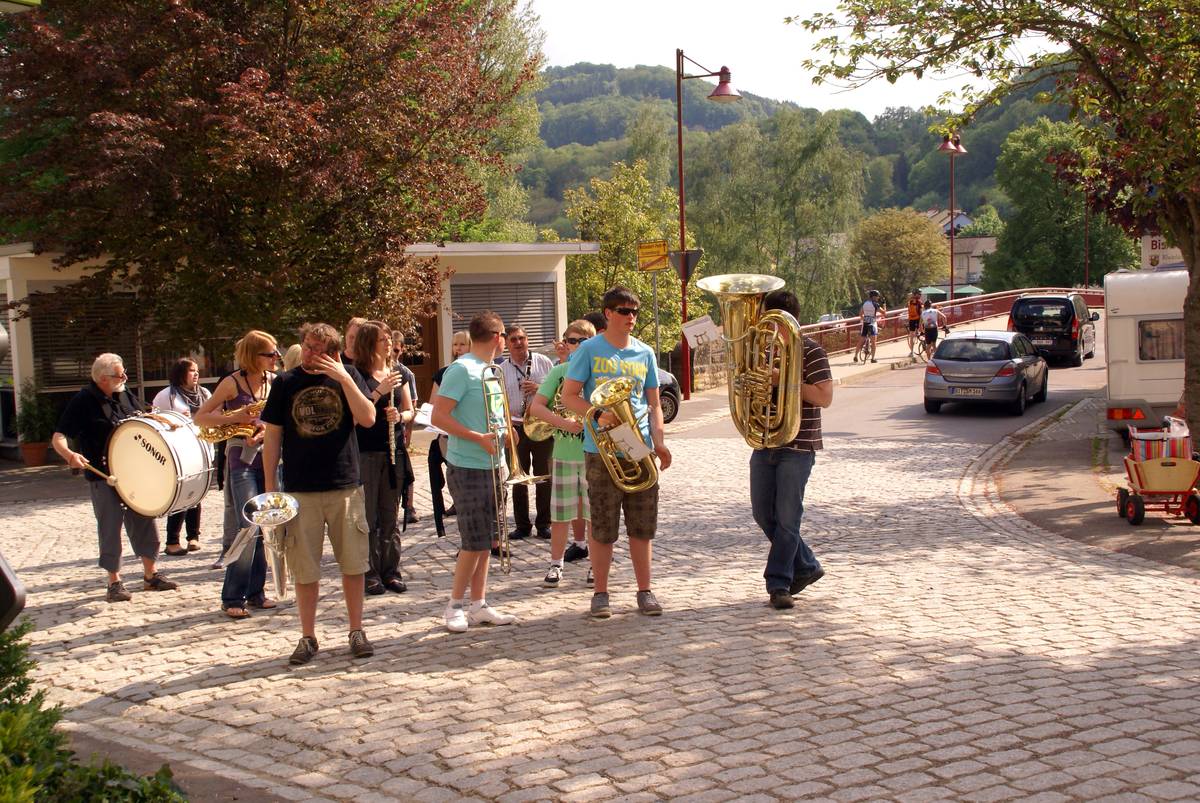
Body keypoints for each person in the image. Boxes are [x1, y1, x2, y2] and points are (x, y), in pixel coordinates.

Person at [263, 322, 377, 664]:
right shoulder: (285, 382)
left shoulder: (350, 376)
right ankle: (308, 636)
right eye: (308, 347)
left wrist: (343, 377)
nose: (312, 354)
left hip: (345, 485)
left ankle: (356, 630)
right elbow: (272, 437)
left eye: (320, 349)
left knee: (353, 564)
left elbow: (368, 418)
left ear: (334, 352)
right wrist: (270, 487)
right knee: (305, 567)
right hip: (300, 488)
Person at [561, 286, 672, 619]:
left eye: (634, 311)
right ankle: (601, 593)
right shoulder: (589, 349)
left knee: (642, 525)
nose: (631, 317)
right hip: (602, 447)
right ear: (608, 314)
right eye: (624, 311)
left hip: (638, 446)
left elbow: (653, 404)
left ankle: (645, 590)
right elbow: (569, 396)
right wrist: (596, 414)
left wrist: (660, 441)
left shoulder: (645, 353)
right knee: (604, 524)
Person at [52, 353, 179, 602]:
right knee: (110, 526)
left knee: (144, 519)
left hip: (135, 473)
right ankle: (114, 582)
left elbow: (144, 420)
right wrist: (70, 455)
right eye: (120, 374)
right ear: (102, 378)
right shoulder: (83, 400)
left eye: (124, 373)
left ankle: (150, 575)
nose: (125, 377)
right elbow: (58, 436)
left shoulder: (124, 394)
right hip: (103, 474)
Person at [431, 311, 518, 633]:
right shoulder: (462, 369)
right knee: (472, 542)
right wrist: (475, 438)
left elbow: (491, 416)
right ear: (499, 338)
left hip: (494, 465)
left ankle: (479, 604)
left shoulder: (490, 371)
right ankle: (453, 605)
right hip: (467, 465)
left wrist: (506, 434)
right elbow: (440, 416)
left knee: (487, 541)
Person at [750, 290, 834, 610]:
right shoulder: (762, 354)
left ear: (787, 321)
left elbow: (824, 396)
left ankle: (779, 583)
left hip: (798, 445)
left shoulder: (811, 352)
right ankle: (808, 565)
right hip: (765, 441)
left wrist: (781, 380)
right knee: (762, 514)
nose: (768, 328)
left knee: (787, 519)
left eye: (772, 321)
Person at [194, 331, 279, 620]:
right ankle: (232, 595)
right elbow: (201, 416)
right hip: (240, 459)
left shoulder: (274, 381)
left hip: (267, 458)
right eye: (269, 354)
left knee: (263, 525)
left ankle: (256, 592)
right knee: (248, 526)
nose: (275, 358)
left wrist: (265, 430)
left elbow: (277, 420)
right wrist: (235, 417)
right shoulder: (231, 383)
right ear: (253, 356)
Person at [528, 320, 596, 589]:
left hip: (594, 455)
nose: (573, 345)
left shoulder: (596, 372)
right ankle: (556, 564)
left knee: (594, 515)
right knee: (560, 515)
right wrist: (563, 423)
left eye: (579, 341)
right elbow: (537, 407)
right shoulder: (559, 371)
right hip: (565, 453)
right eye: (569, 340)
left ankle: (595, 565)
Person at [353, 321, 413, 596]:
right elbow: (355, 414)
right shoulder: (357, 374)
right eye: (382, 339)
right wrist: (378, 392)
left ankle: (391, 571)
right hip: (366, 452)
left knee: (390, 516)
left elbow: (411, 410)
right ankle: (370, 574)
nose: (389, 343)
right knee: (368, 518)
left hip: (394, 452)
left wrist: (400, 416)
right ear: (369, 343)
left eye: (389, 338)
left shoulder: (397, 371)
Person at [499, 324, 555, 541]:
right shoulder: (502, 368)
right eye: (513, 339)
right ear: (507, 343)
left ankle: (544, 525)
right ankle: (522, 525)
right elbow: (500, 402)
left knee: (544, 478)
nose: (518, 343)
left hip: (541, 426)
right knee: (518, 477)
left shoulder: (544, 362)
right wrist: (507, 427)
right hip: (515, 427)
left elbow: (558, 393)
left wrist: (539, 390)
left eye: (521, 338)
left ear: (527, 339)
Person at [152, 358, 212, 556]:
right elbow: (156, 421)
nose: (196, 374)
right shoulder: (166, 396)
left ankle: (193, 536)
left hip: (202, 448)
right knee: (180, 495)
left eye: (197, 370)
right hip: (179, 452)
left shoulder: (204, 393)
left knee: (197, 493)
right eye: (191, 371)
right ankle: (172, 541)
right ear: (180, 373)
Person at [428, 330, 472, 534]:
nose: (458, 349)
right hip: (448, 434)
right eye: (455, 345)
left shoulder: (479, 370)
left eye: (462, 344)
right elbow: (432, 404)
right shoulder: (444, 372)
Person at [391, 334, 420, 525]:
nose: (392, 353)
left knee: (406, 472)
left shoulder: (405, 373)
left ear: (401, 350)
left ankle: (409, 507)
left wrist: (408, 432)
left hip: (400, 429)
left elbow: (412, 405)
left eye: (396, 349)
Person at [853, 290, 884, 363]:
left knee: (861, 340)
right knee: (873, 342)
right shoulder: (875, 304)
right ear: (873, 297)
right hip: (873, 323)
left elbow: (860, 314)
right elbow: (884, 313)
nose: (878, 298)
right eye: (877, 296)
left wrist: (864, 319)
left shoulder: (864, 303)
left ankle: (855, 356)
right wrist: (884, 305)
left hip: (865, 323)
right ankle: (873, 358)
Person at [906, 289, 924, 357]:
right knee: (920, 333)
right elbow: (921, 313)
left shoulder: (910, 301)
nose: (920, 295)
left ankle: (912, 352)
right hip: (917, 320)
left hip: (912, 320)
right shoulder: (919, 302)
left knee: (912, 336)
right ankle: (926, 344)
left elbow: (908, 295)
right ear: (915, 294)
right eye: (919, 294)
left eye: (920, 294)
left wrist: (913, 295)